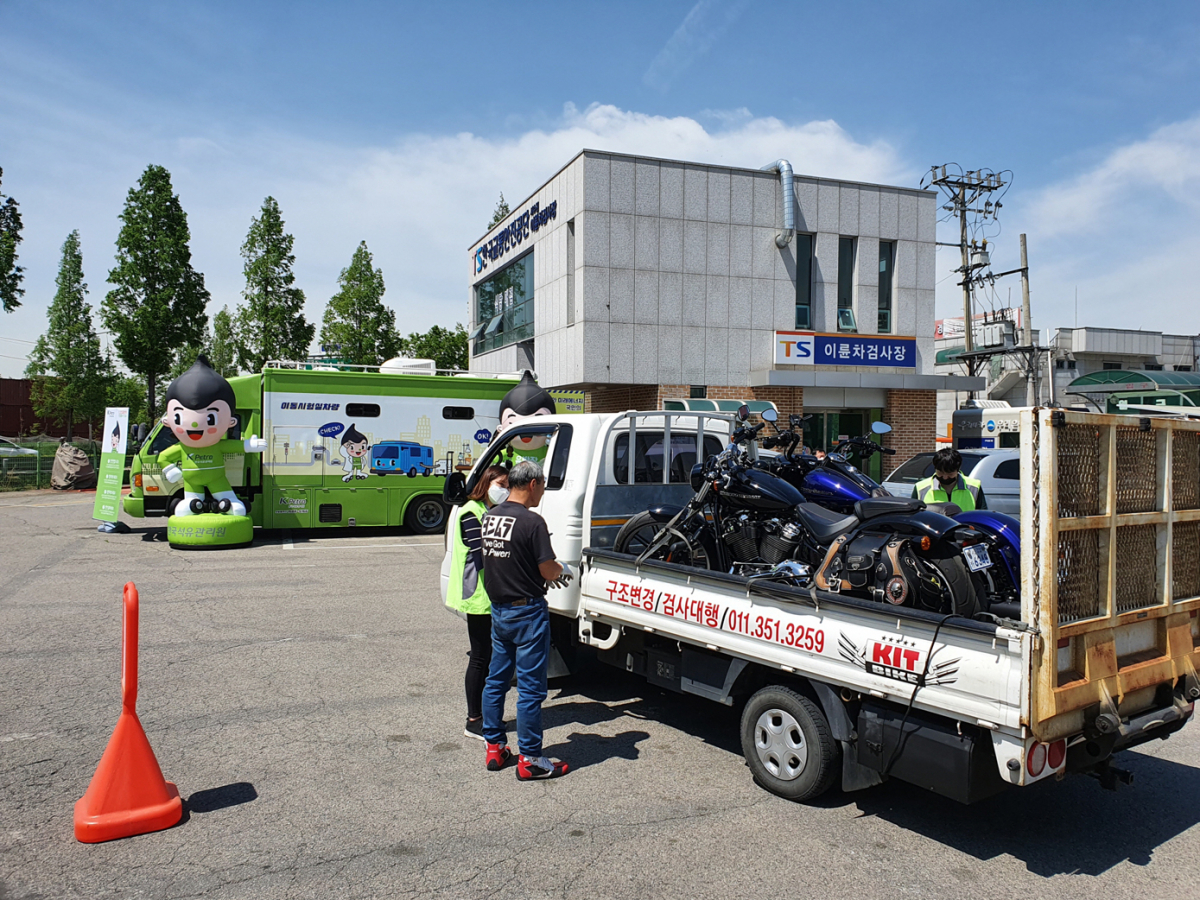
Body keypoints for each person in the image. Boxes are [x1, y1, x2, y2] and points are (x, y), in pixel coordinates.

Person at [479, 460, 572, 780]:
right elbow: (547, 569)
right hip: (528, 612)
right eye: (543, 486)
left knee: (496, 681)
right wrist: (562, 571)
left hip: (499, 610)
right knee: (531, 690)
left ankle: (495, 746)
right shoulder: (532, 522)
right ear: (532, 484)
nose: (542, 492)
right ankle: (530, 759)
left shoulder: (490, 517)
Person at [445, 464, 509, 741]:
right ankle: (473, 720)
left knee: (489, 657)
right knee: (480, 657)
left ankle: (484, 715)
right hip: (478, 595)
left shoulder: (487, 511)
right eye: (501, 484)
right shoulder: (471, 512)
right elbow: (481, 554)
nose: (504, 489)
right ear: (487, 483)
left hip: (488, 595)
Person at [912, 447, 987, 511]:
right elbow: (913, 518)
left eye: (950, 474)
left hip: (965, 528)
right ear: (935, 468)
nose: (945, 477)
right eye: (940, 473)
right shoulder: (920, 488)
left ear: (958, 469)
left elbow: (983, 516)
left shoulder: (973, 487)